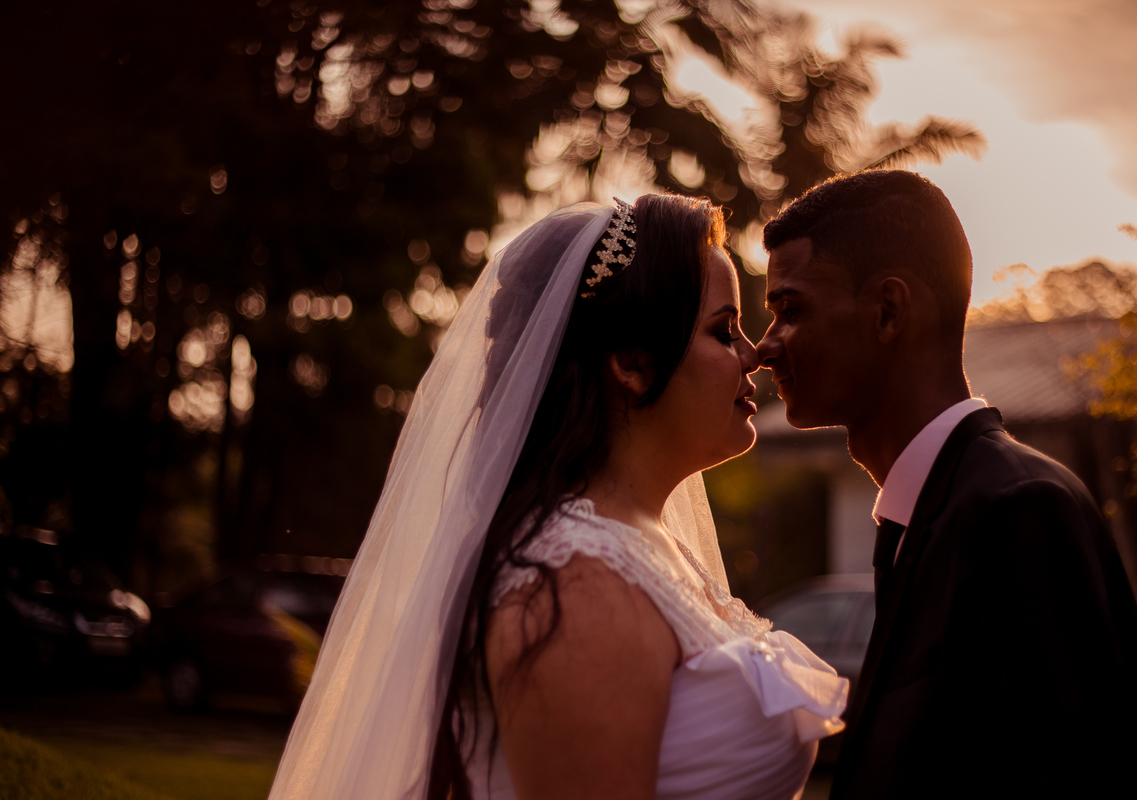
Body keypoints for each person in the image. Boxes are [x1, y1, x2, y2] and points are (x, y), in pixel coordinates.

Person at [268, 195, 848, 800]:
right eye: (723, 330)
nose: (753, 354)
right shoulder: (573, 585)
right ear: (631, 362)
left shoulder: (642, 547)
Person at [755, 169, 1137, 798]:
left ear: (888, 311)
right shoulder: (924, 511)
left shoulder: (1019, 511)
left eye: (790, 310)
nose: (766, 347)